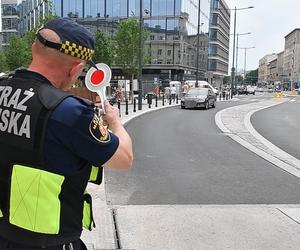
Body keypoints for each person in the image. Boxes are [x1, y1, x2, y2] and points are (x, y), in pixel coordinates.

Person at [0, 18, 133, 250]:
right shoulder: (69, 111)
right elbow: (124, 158)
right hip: (48, 242)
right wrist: (116, 124)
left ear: (34, 48)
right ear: (76, 69)